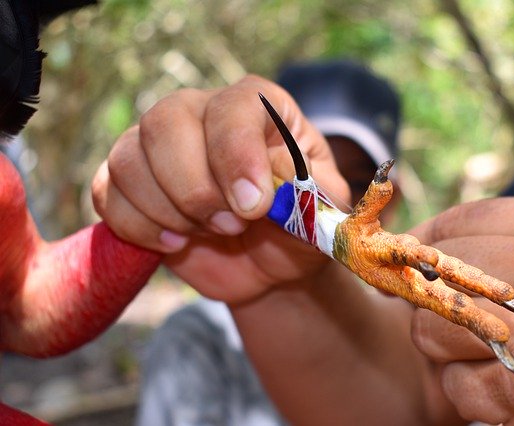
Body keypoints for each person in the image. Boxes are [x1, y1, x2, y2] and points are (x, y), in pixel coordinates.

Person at [93, 39, 514, 426]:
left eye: (366, 179)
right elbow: (424, 393)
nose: (345, 189)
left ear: (389, 192)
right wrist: (278, 287)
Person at [133, 59, 402, 426]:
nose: (334, 200)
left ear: (392, 198)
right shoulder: (199, 338)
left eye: (358, 182)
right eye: (301, 178)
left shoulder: (427, 341)